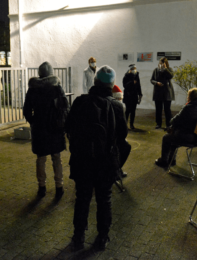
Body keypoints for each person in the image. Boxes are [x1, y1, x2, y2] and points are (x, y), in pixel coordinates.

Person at [65, 66, 128, 251]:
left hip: (82, 162)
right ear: (112, 84)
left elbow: (68, 127)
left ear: (95, 82)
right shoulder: (117, 106)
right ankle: (102, 237)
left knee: (82, 198)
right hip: (105, 163)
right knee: (104, 199)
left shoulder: (79, 102)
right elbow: (122, 135)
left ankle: (78, 237)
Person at [23, 61, 68, 199]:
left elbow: (26, 110)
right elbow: (65, 106)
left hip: (39, 129)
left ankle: (41, 187)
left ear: (39, 73)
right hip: (55, 128)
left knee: (41, 159)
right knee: (57, 158)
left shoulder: (33, 89)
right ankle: (59, 187)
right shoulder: (57, 88)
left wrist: (34, 121)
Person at [155, 88, 197, 168]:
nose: (187, 97)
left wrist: (173, 127)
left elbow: (173, 120)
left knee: (167, 137)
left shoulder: (188, 108)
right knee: (174, 133)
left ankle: (164, 160)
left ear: (191, 97)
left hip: (190, 138)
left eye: (188, 96)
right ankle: (171, 159)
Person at [150, 57, 175, 130]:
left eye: (162, 63)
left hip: (167, 92)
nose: (160, 64)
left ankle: (168, 124)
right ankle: (158, 124)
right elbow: (152, 80)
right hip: (158, 92)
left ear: (165, 63)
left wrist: (165, 69)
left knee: (167, 109)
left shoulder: (169, 69)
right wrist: (156, 83)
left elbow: (170, 76)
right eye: (160, 63)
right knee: (158, 109)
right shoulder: (156, 70)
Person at [123, 64, 142, 130]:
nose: (134, 70)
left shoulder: (137, 76)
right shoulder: (126, 76)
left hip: (134, 96)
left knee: (133, 111)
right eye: (133, 68)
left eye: (135, 68)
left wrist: (140, 94)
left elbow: (139, 85)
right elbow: (124, 85)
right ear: (130, 69)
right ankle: (125, 124)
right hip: (128, 96)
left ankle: (131, 124)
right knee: (128, 110)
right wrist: (131, 82)